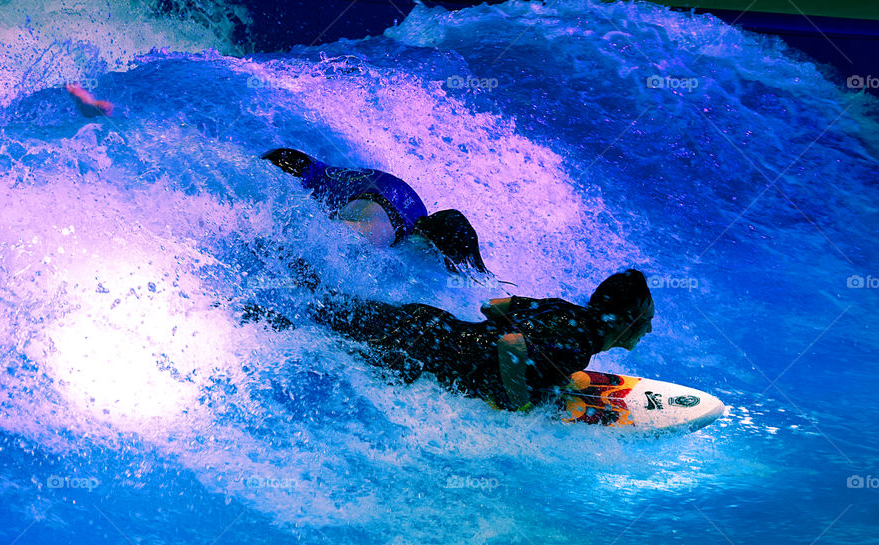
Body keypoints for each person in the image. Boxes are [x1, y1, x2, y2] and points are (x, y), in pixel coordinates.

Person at [291, 269, 655, 410]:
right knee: (315, 331)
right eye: (646, 321)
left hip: (429, 324)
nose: (649, 329)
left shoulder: (563, 309)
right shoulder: (577, 348)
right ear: (624, 322)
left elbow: (492, 307)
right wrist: (521, 402)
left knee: (326, 306)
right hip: (423, 349)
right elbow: (511, 344)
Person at [262, 148, 489, 274]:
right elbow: (316, 239)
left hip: (297, 158)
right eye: (440, 260)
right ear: (431, 247)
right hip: (282, 171)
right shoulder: (379, 230)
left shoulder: (417, 210)